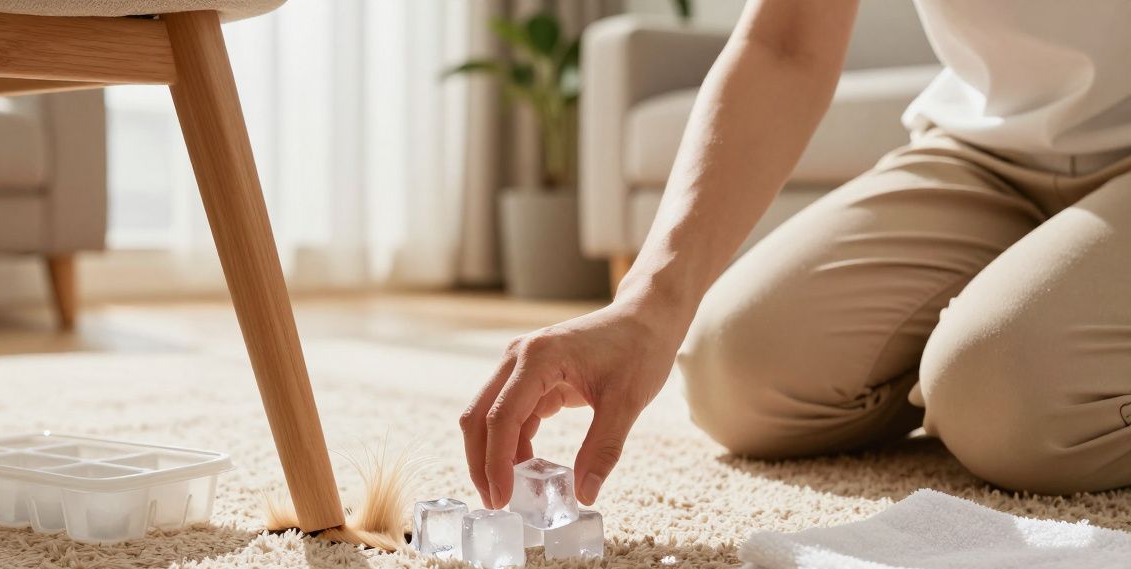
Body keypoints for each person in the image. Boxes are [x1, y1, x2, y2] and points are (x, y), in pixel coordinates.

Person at [460, 0, 1131, 508]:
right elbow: (785, 42)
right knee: (736, 370)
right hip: (988, 146)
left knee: (1001, 399)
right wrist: (646, 303)